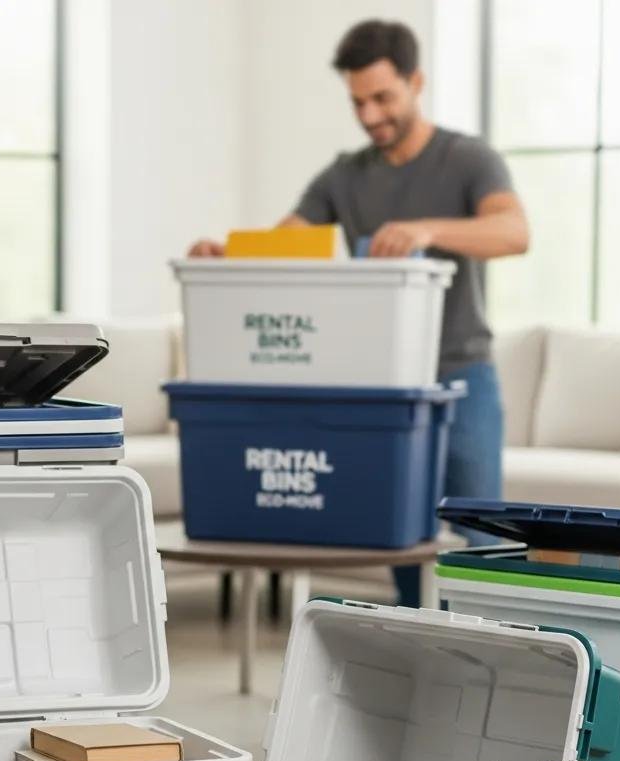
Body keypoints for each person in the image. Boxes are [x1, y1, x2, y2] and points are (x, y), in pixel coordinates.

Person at [188, 19, 529, 606]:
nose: (370, 115)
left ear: (415, 81)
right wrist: (228, 255)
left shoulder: (469, 160)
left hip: (463, 374)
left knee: (479, 538)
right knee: (400, 537)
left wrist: (427, 229)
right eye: (358, 102)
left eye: (382, 98)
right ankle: (420, 651)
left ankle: (489, 647)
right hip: (387, 388)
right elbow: (283, 245)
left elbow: (513, 231)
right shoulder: (345, 177)